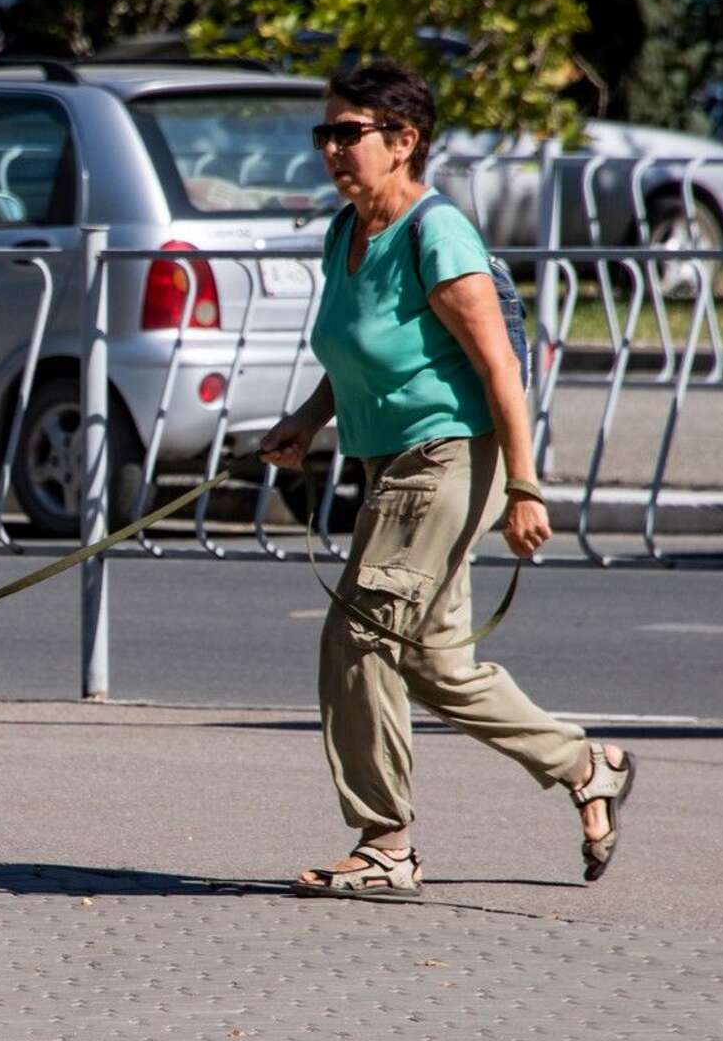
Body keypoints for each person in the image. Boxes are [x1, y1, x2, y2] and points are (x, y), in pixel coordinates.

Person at [258, 60, 637, 899]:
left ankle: (386, 842)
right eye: (325, 133)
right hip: (385, 461)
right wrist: (308, 418)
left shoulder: (438, 234)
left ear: (404, 141)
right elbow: (357, 351)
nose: (332, 148)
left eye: (349, 133)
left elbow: (501, 368)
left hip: (446, 457)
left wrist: (526, 488)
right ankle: (588, 764)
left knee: (358, 634)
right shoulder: (345, 232)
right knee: (434, 661)